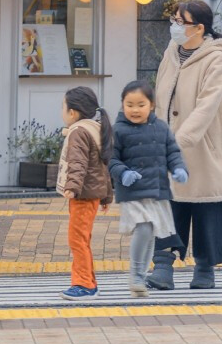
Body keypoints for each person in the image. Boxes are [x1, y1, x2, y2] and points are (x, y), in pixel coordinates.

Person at [149, 0, 222, 291]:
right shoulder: (172, 52)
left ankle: (205, 268)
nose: (174, 26)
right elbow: (160, 94)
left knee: (205, 207)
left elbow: (207, 106)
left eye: (181, 21)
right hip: (168, 144)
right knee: (169, 204)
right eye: (174, 20)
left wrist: (181, 140)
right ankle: (162, 266)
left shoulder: (215, 58)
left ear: (199, 28)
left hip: (204, 148)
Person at [109, 80, 187, 296]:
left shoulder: (161, 128)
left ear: (151, 105)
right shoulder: (118, 130)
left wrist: (179, 169)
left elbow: (173, 153)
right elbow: (110, 159)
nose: (135, 109)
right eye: (129, 104)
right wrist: (122, 173)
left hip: (157, 191)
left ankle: (140, 279)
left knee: (151, 233)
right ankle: (135, 275)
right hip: (132, 191)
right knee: (143, 228)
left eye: (140, 104)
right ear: (123, 104)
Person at [56, 83, 113, 300]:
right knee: (82, 239)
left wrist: (72, 187)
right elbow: (102, 167)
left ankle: (84, 285)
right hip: (91, 194)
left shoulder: (78, 132)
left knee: (77, 240)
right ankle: (89, 282)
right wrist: (107, 195)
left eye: (63, 107)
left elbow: (77, 163)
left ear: (73, 112)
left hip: (83, 195)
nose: (62, 112)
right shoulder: (95, 128)